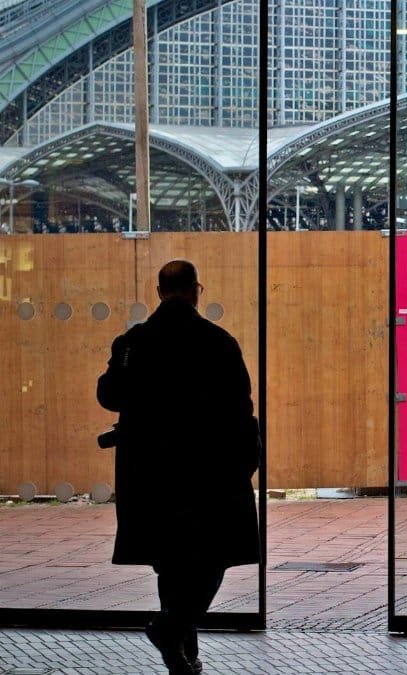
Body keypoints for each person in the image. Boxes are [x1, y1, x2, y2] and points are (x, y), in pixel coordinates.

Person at [97, 260, 260, 674]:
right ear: (195, 290)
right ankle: (173, 630)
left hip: (149, 472)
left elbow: (109, 396)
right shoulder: (217, 341)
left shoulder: (134, 342)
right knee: (212, 557)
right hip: (208, 471)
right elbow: (241, 408)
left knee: (169, 562)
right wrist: (246, 460)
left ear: (158, 292)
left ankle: (181, 650)